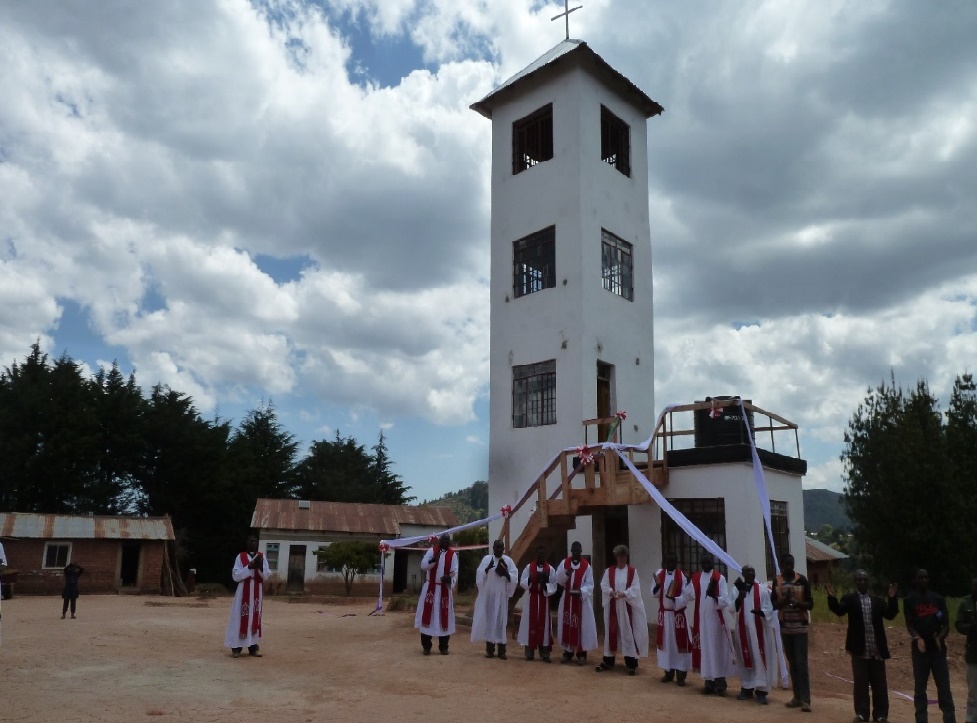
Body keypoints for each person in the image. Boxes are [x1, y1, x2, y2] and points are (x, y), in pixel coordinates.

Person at [827, 571, 899, 723]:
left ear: (868, 582)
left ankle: (880, 715)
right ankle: (861, 714)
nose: (862, 582)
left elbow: (890, 614)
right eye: (859, 580)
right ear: (855, 582)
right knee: (860, 684)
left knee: (880, 685)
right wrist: (831, 598)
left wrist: (892, 598)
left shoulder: (878, 601)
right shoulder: (850, 599)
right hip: (859, 650)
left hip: (877, 650)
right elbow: (839, 610)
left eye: (864, 580)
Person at [905, 568, 956, 723]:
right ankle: (921, 720)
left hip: (937, 650)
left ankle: (949, 719)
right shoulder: (909, 600)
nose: (924, 580)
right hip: (920, 651)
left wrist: (940, 638)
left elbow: (946, 625)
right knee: (920, 689)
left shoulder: (938, 599)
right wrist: (917, 637)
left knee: (944, 689)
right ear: (915, 580)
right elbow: (909, 624)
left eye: (926, 577)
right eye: (920, 578)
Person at [683, 554, 735, 695]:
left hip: (716, 621)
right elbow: (690, 596)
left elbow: (725, 600)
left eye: (708, 561)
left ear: (712, 563)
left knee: (716, 650)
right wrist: (688, 582)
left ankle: (720, 683)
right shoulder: (697, 578)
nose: (706, 564)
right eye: (703, 561)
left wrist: (714, 595)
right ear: (701, 563)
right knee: (705, 650)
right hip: (702, 620)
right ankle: (709, 683)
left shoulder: (720, 578)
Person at [596, 544, 648, 676]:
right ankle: (608, 660)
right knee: (610, 632)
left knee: (627, 632)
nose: (622, 558)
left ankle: (631, 663)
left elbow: (636, 588)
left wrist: (625, 594)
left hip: (626, 607)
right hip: (613, 607)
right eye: (619, 556)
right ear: (616, 557)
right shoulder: (609, 571)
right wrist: (611, 592)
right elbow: (603, 585)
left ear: (626, 557)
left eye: (624, 556)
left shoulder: (632, 572)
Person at [772, 553, 814, 712]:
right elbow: (774, 604)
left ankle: (806, 700)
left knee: (801, 663)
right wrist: (784, 601)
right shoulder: (777, 581)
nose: (789, 567)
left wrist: (799, 603)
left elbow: (811, 604)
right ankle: (797, 697)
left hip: (800, 627)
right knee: (793, 663)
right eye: (786, 564)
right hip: (785, 628)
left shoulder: (802, 580)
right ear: (782, 565)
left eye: (791, 564)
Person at [731, 564, 776, 705]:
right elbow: (732, 608)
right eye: (748, 571)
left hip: (759, 631)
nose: (751, 573)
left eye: (753, 571)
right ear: (743, 574)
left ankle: (761, 691)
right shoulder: (737, 589)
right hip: (743, 630)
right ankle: (747, 687)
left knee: (759, 658)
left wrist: (761, 612)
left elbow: (769, 608)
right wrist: (740, 598)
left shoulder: (761, 589)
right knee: (746, 657)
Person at [223, 535, 270, 658]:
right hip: (244, 588)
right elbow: (236, 575)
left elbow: (267, 575)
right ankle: (236, 648)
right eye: (251, 541)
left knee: (255, 616)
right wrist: (248, 567)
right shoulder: (241, 556)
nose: (253, 543)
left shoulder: (261, 556)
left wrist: (259, 568)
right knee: (239, 616)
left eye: (255, 542)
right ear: (247, 543)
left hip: (256, 589)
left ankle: (253, 647)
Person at [471, 539, 517, 659]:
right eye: (497, 547)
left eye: (501, 547)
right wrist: (487, 568)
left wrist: (506, 574)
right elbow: (479, 576)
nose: (499, 550)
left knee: (501, 623)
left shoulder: (508, 561)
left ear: (503, 549)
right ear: (493, 548)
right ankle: (490, 650)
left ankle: (502, 651)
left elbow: (514, 577)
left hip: (501, 597)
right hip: (490, 597)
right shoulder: (487, 559)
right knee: (490, 622)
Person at [553, 541, 597, 664]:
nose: (576, 553)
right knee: (567, 623)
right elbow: (558, 580)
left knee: (582, 626)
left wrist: (580, 592)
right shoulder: (565, 563)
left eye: (578, 551)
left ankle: (581, 654)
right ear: (571, 551)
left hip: (580, 602)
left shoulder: (586, 566)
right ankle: (567, 652)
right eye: (574, 551)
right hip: (567, 598)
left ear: (581, 552)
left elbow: (590, 585)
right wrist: (566, 573)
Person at [415, 533, 458, 656]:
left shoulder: (453, 555)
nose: (445, 543)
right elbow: (423, 566)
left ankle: (444, 647)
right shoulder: (431, 551)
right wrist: (433, 559)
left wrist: (449, 579)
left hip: (444, 590)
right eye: (443, 541)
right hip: (431, 588)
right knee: (428, 618)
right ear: (440, 541)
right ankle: (426, 647)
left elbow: (454, 572)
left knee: (444, 618)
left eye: (447, 541)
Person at [653, 552, 691, 685]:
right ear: (665, 563)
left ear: (677, 563)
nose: (670, 564)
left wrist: (675, 599)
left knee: (679, 645)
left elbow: (688, 596)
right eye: (668, 561)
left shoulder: (682, 576)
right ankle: (668, 672)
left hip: (677, 615)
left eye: (673, 562)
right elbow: (654, 593)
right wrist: (658, 585)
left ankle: (681, 675)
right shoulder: (660, 573)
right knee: (666, 645)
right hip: (664, 615)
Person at [517, 544, 556, 662]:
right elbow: (523, 582)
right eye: (540, 554)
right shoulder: (529, 567)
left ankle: (545, 654)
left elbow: (554, 586)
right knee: (529, 625)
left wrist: (545, 584)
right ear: (536, 555)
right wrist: (530, 578)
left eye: (544, 554)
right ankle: (529, 653)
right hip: (532, 599)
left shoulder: (550, 569)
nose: (542, 556)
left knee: (544, 627)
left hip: (543, 599)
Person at [954, 576, 977, 723]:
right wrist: (972, 627)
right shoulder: (965, 602)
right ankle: (971, 720)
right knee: (973, 693)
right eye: (975, 585)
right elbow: (958, 624)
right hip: (973, 653)